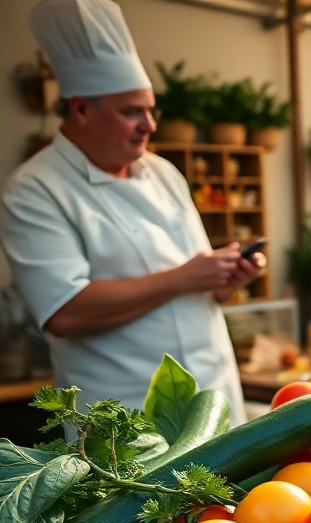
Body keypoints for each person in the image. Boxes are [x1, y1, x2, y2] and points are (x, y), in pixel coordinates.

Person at [1, 0, 259, 421]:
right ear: (81, 108)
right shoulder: (35, 188)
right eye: (131, 112)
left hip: (216, 401)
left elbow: (196, 291)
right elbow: (64, 312)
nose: (150, 125)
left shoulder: (163, 174)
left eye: (150, 110)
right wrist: (184, 277)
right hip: (126, 419)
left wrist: (224, 278)